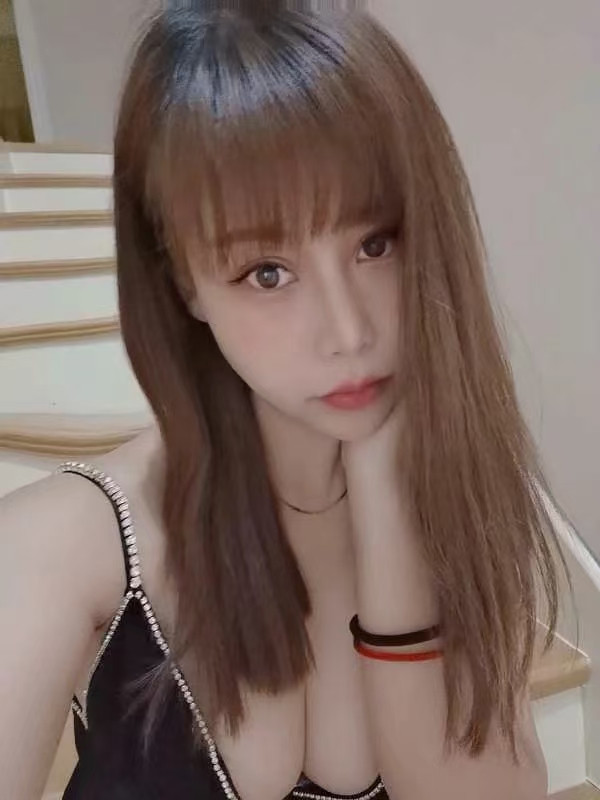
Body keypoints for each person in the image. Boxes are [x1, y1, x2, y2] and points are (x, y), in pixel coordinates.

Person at [0, 2, 570, 798]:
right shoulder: (65, 545)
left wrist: (385, 499)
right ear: (182, 283)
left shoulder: (453, 495)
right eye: (266, 272)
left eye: (374, 243)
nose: (348, 331)